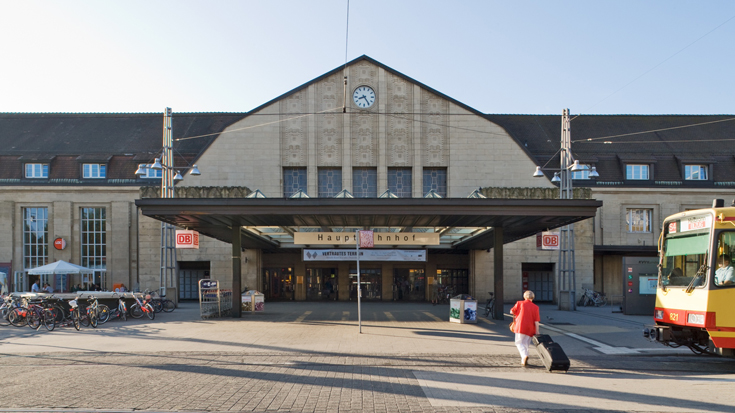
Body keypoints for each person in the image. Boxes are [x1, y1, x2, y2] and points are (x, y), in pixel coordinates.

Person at [510, 290, 541, 367]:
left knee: (518, 342)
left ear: (524, 296)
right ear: (532, 297)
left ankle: (524, 356)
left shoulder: (520, 303)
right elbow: (536, 321)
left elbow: (511, 311)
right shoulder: (536, 307)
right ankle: (523, 359)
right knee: (526, 343)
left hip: (520, 326)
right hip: (530, 328)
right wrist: (537, 331)